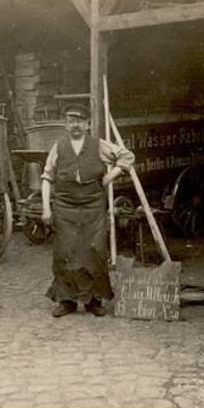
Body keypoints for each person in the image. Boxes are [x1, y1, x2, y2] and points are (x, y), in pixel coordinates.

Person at [41, 104, 135, 317]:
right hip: (65, 207)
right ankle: (67, 300)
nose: (75, 125)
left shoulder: (99, 145)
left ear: (88, 124)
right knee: (65, 251)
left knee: (94, 250)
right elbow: (47, 178)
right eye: (71, 121)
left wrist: (111, 176)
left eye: (80, 121)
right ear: (66, 124)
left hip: (93, 206)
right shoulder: (58, 147)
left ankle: (94, 300)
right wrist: (46, 208)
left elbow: (127, 156)